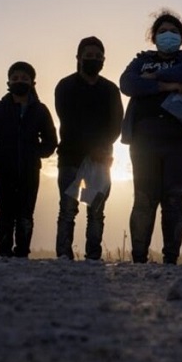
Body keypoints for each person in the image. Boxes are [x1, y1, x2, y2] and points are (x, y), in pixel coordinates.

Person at [120, 10, 182, 264]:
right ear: (153, 36)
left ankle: (170, 258)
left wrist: (155, 78)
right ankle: (139, 257)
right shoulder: (140, 62)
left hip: (181, 139)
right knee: (144, 198)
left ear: (181, 37)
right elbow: (128, 83)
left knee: (174, 196)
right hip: (144, 138)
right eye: (162, 31)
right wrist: (167, 87)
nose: (167, 35)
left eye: (173, 31)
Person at [54, 36, 123, 261]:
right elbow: (68, 119)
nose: (92, 59)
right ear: (78, 58)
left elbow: (116, 125)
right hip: (70, 159)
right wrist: (89, 146)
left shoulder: (111, 90)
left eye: (97, 56)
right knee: (67, 210)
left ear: (103, 60)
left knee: (96, 212)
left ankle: (93, 256)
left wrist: (100, 148)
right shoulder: (65, 86)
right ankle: (64, 255)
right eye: (88, 55)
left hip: (102, 160)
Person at [0, 62, 57, 257]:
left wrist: (35, 153)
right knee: (5, 212)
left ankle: (22, 251)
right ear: (8, 82)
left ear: (33, 82)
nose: (19, 81)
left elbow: (51, 140)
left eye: (24, 78)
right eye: (15, 78)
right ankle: (4, 251)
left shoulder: (40, 110)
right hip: (4, 171)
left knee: (25, 214)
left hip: (30, 171)